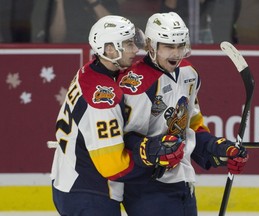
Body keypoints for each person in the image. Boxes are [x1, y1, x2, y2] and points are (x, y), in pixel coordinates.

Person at [50, 15, 185, 216]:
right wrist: (153, 162)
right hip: (89, 192)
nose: (135, 49)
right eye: (128, 44)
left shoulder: (89, 71)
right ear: (110, 49)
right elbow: (113, 166)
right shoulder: (104, 97)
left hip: (70, 182)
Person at [118, 12, 249, 216]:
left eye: (180, 46)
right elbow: (124, 138)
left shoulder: (189, 74)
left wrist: (217, 148)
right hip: (146, 186)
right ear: (151, 46)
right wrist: (152, 148)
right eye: (169, 46)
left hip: (182, 180)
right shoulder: (137, 83)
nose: (177, 53)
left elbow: (190, 127)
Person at [48, 0, 122, 42]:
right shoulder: (66, 3)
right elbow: (56, 39)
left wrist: (93, 2)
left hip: (101, 52)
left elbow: (115, 31)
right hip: (72, 51)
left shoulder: (108, 2)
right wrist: (59, 3)